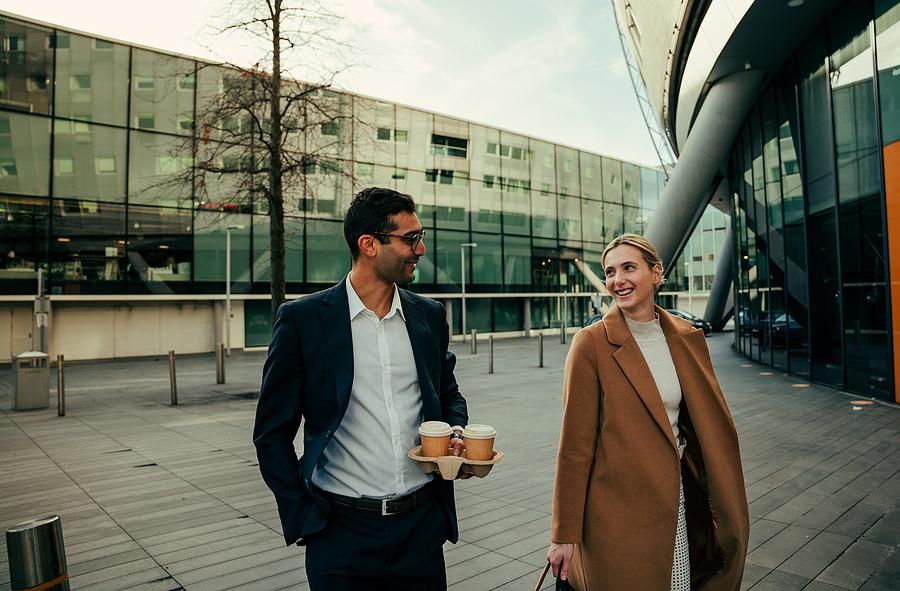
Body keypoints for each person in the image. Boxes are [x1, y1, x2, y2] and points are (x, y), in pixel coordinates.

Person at [253, 187, 469, 590]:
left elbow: (448, 393)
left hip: (421, 529)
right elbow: (270, 434)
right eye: (410, 239)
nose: (420, 250)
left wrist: (455, 434)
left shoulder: (429, 316)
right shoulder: (303, 320)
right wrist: (303, 515)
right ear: (368, 244)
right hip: (339, 534)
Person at [547, 234, 749, 590]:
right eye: (610, 271)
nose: (617, 280)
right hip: (615, 514)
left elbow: (706, 425)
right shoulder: (590, 344)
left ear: (656, 274)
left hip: (677, 503)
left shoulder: (686, 337)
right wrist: (563, 534)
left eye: (629, 268)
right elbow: (574, 450)